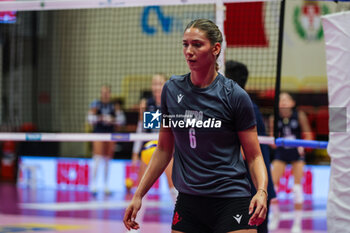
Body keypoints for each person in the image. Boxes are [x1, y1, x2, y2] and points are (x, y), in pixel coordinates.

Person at [124, 19, 268, 233]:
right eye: (185, 44)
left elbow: (254, 155)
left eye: (197, 44)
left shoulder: (235, 95)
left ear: (216, 49)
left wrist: (262, 191)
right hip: (189, 202)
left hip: (231, 199)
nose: (188, 51)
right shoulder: (171, 90)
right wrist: (138, 194)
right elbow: (163, 149)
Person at [225, 60, 277, 233]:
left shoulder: (242, 107)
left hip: (250, 188)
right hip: (250, 186)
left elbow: (246, 153)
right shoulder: (242, 105)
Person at [268, 92, 313, 233]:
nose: (283, 102)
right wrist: (275, 142)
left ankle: (297, 223)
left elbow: (309, 135)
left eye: (286, 100)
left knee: (297, 189)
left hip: (296, 154)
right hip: (281, 153)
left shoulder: (299, 115)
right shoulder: (274, 118)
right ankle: (276, 215)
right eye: (281, 100)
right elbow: (271, 141)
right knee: (272, 188)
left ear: (293, 103)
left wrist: (303, 145)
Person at [87, 85, 126, 195]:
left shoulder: (114, 106)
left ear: (110, 93)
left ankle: (106, 186)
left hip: (110, 134)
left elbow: (122, 121)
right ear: (101, 93)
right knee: (97, 158)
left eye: (107, 92)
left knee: (107, 160)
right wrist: (100, 118)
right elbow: (89, 119)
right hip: (98, 134)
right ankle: (93, 185)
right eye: (103, 92)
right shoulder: (96, 104)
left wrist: (112, 120)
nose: (105, 94)